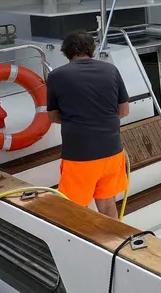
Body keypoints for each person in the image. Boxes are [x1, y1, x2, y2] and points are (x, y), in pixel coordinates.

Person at [47, 31, 130, 218]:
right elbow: (124, 110)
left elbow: (52, 117)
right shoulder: (111, 70)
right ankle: (112, 245)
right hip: (112, 152)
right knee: (108, 204)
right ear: (91, 49)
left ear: (66, 52)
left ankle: (81, 246)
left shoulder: (57, 76)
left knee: (75, 211)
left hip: (80, 156)